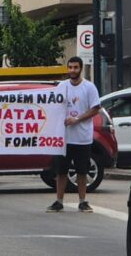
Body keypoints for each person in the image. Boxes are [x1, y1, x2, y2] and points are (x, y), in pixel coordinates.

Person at [47, 56, 101, 213]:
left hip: (82, 138)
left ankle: (83, 202)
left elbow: (95, 109)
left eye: (75, 67)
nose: (72, 70)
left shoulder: (89, 87)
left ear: (81, 68)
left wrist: (76, 119)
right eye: (70, 67)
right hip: (63, 138)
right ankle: (59, 201)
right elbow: (52, 104)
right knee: (61, 171)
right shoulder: (62, 86)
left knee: (82, 172)